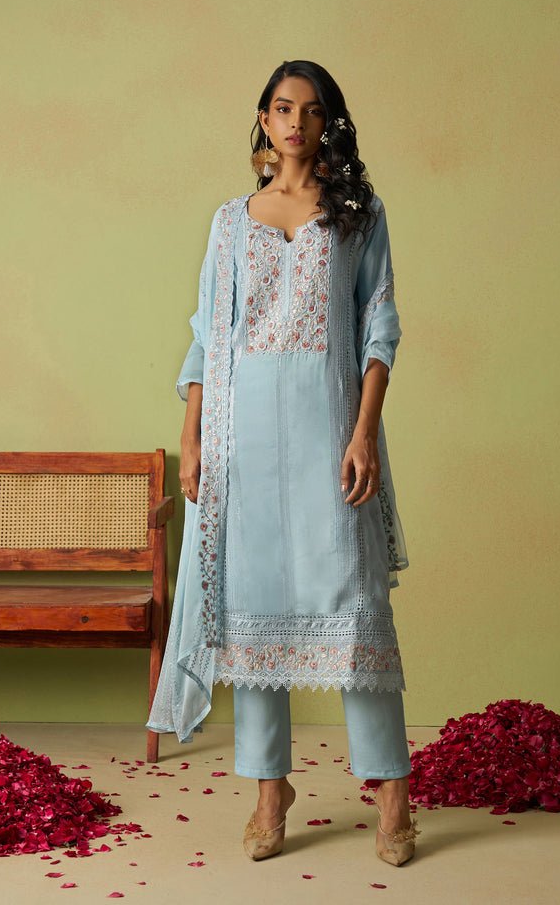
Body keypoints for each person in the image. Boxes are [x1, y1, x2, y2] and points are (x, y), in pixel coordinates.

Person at [146, 60, 420, 865]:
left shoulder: (358, 214)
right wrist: (193, 439)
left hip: (329, 432)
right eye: (280, 107)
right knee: (250, 618)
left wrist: (363, 433)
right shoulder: (230, 223)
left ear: (328, 121)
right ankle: (270, 792)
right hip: (242, 442)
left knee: (355, 612)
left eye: (310, 109)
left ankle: (393, 795)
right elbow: (205, 336)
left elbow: (379, 325)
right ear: (263, 120)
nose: (295, 122)